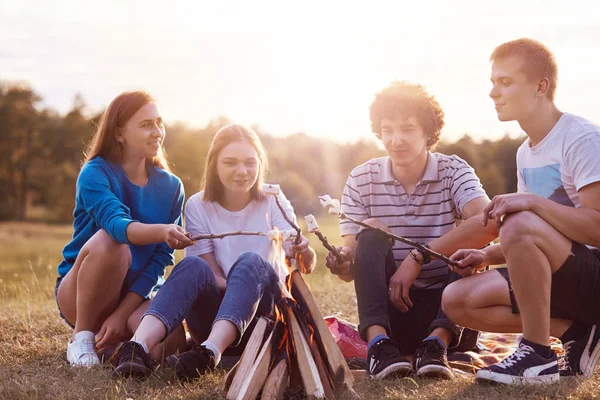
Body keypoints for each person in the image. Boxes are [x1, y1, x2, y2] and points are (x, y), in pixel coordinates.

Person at [442, 38, 600, 385]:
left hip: (595, 279)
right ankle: (577, 331)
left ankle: (537, 353)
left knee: (518, 219)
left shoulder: (582, 138)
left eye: (506, 82)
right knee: (457, 300)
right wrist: (486, 254)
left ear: (540, 86)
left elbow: (596, 228)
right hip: (564, 278)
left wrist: (530, 203)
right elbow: (535, 240)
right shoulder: (525, 154)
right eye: (493, 82)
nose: (493, 93)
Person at [110, 124, 317, 379]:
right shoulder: (198, 205)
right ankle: (136, 347)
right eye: (230, 162)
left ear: (260, 164)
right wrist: (238, 288)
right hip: (213, 316)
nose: (242, 172)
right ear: (215, 165)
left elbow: (303, 263)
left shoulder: (272, 198)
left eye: (250, 163)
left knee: (251, 261)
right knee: (192, 266)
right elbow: (209, 274)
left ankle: (210, 354)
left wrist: (303, 250)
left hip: (264, 318)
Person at [325, 81, 499, 380]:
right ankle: (379, 346)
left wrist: (418, 256)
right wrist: (342, 261)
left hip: (452, 312)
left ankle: (436, 346)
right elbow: (350, 270)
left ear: (428, 133)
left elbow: (489, 222)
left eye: (407, 129)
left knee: (466, 248)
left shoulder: (453, 171)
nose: (396, 140)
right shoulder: (361, 178)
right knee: (371, 232)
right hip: (392, 314)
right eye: (388, 129)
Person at [55, 91, 193, 367]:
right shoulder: (94, 173)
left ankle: (113, 344)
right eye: (145, 125)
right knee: (111, 243)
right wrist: (162, 231)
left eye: (159, 123)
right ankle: (82, 337)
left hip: (135, 295)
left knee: (170, 341)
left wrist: (122, 314)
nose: (157, 132)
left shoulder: (171, 186)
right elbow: (117, 225)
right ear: (119, 134)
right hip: (84, 293)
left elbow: (159, 260)